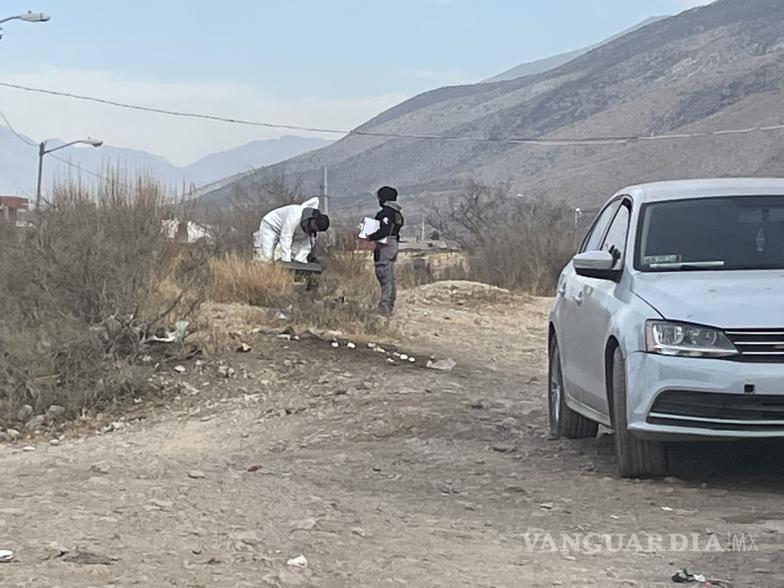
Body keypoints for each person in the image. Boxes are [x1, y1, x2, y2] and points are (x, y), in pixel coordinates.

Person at [253, 197, 330, 263]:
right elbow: (286, 236)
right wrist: (286, 262)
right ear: (313, 220)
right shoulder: (295, 216)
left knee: (292, 256)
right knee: (267, 257)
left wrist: (299, 262)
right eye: (315, 227)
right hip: (271, 226)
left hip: (288, 232)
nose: (315, 230)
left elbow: (306, 246)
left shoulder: (310, 227)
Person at [366, 186, 404, 315]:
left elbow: (384, 230)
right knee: (389, 277)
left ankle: (384, 309)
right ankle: (389, 306)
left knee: (384, 277)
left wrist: (370, 236)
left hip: (385, 246)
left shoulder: (385, 213)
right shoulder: (397, 213)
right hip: (392, 245)